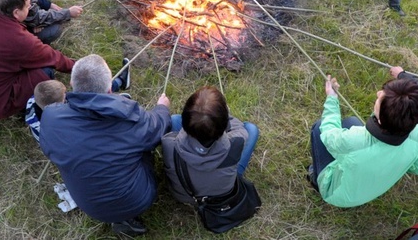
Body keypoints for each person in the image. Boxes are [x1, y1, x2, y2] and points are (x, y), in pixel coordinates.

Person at [39, 54, 171, 237]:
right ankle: (126, 218)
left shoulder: (50, 119)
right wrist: (162, 108)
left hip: (88, 204)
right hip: (136, 201)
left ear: (70, 84)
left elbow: (50, 150)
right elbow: (157, 128)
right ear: (110, 89)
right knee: (145, 147)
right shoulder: (130, 118)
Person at [308, 75, 418, 208]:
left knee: (319, 128)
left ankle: (316, 179)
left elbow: (329, 135)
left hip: (337, 194)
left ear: (381, 120)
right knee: (352, 121)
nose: (378, 93)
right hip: (370, 190)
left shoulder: (356, 140)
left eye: (380, 99)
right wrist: (402, 163)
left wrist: (332, 98)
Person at [0, 0, 75, 119]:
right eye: (28, 6)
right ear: (16, 13)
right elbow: (52, 57)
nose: (30, 8)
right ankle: (29, 108)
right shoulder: (19, 40)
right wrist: (78, 67)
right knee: (45, 71)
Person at [162, 86, 259, 206]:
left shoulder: (168, 143)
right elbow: (238, 127)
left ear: (185, 121)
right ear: (224, 123)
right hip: (220, 195)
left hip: (185, 195)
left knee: (174, 119)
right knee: (252, 129)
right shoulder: (237, 141)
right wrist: (226, 114)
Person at [25, 59, 131, 143]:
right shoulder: (63, 123)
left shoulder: (32, 102)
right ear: (60, 105)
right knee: (89, 99)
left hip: (48, 142)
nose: (67, 95)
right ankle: (119, 86)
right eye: (65, 95)